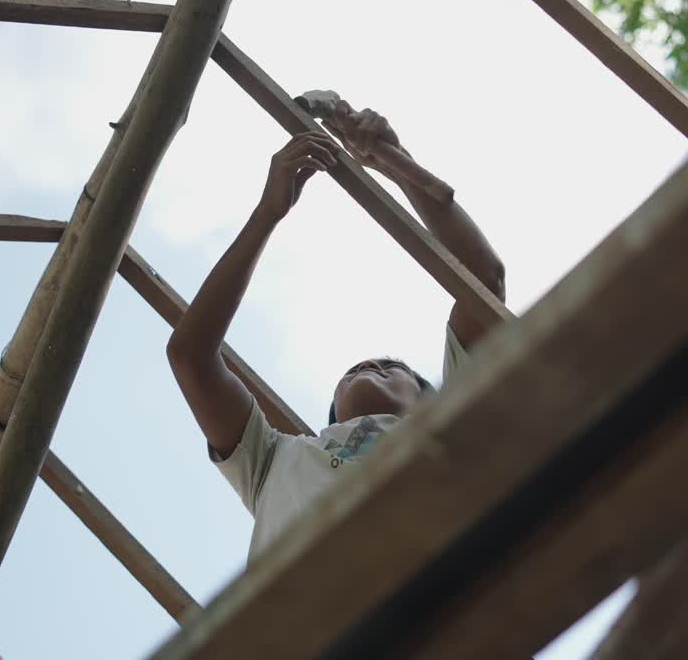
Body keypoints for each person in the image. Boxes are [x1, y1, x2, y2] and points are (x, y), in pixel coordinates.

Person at [166, 103, 506, 561]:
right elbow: (190, 355)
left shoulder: (454, 419)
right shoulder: (274, 461)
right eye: (354, 372)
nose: (368, 366)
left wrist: (397, 162)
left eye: (391, 366)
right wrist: (268, 212)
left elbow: (482, 281)